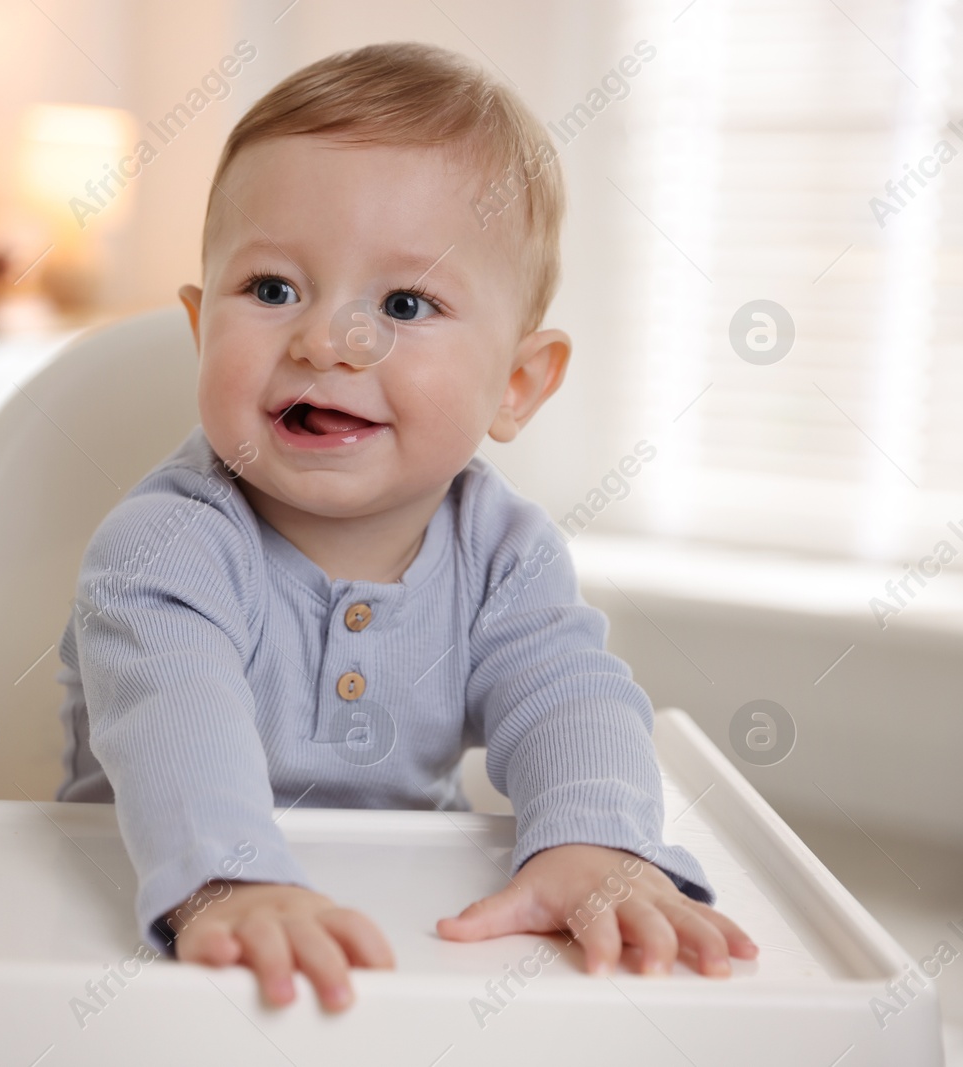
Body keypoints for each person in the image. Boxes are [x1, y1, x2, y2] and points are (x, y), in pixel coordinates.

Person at [53, 41, 757, 1012]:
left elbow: (570, 698)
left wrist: (592, 839)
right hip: (154, 932)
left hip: (402, 944)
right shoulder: (164, 549)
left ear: (515, 384)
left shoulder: (504, 554)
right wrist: (228, 878)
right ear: (198, 329)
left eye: (403, 302)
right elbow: (175, 717)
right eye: (270, 289)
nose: (326, 339)